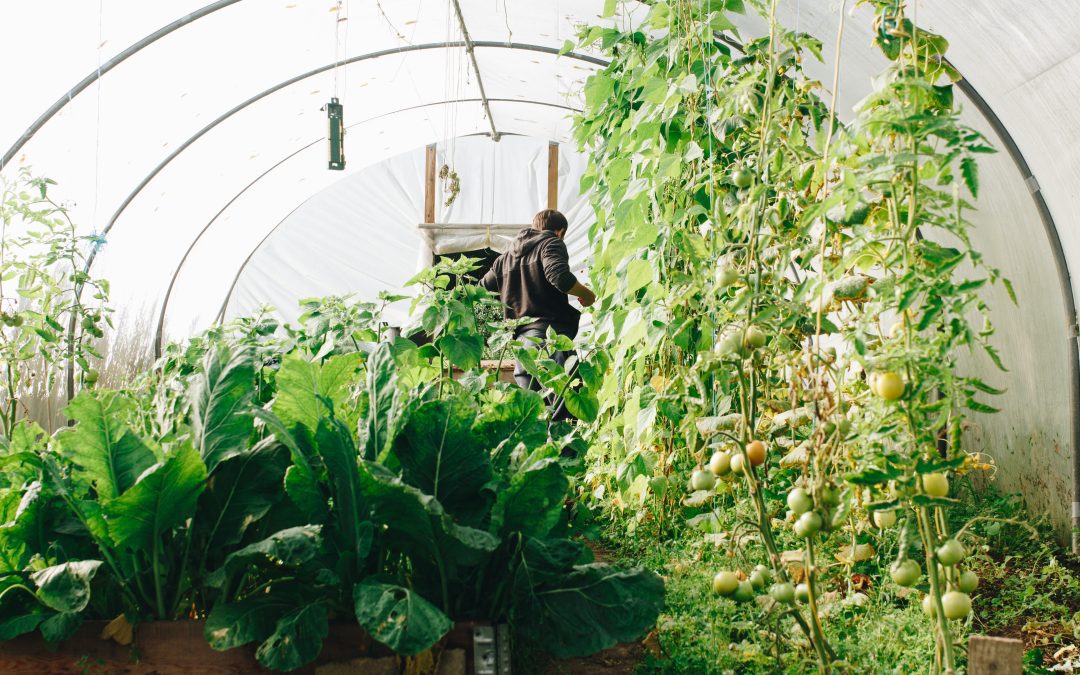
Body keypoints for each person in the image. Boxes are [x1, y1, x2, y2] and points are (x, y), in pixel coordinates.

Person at [480, 209, 596, 415]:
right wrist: (587, 295)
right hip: (549, 341)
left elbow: (479, 290)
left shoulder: (505, 258)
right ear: (559, 232)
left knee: (536, 416)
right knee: (565, 412)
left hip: (522, 348)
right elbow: (559, 276)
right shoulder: (550, 243)